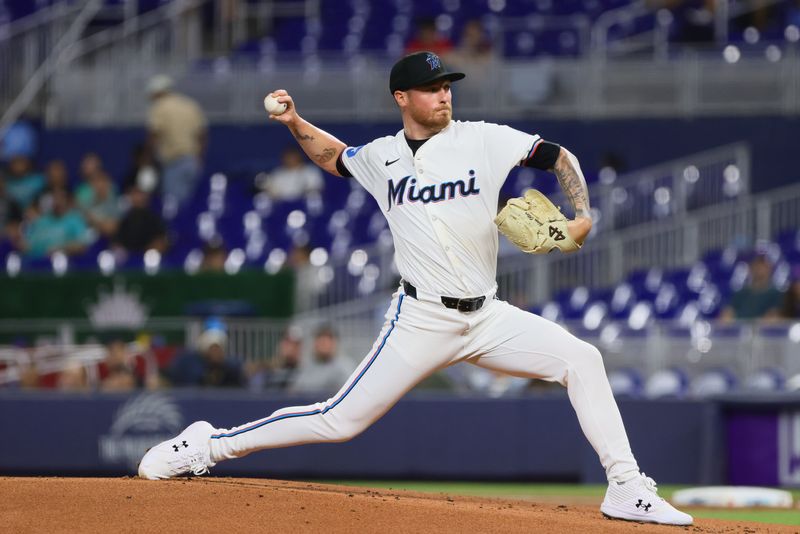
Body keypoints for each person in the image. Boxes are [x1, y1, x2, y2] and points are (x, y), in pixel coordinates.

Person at [138, 51, 692, 527]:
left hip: (487, 315)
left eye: (447, 86)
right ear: (402, 97)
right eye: (431, 88)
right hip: (421, 319)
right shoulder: (382, 158)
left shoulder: (484, 140)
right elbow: (335, 156)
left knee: (583, 359)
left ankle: (625, 488)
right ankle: (209, 444)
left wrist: (582, 214)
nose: (444, 95)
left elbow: (557, 156)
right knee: (338, 421)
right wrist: (295, 121)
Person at [146, 74, 207, 217]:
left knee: (175, 209)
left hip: (173, 163)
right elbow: (202, 134)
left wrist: (148, 160)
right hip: (192, 162)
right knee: (192, 208)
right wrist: (199, 158)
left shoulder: (159, 107)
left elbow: (154, 135)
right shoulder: (189, 105)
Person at [166, 322, 244, 388]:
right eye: (213, 349)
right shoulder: (193, 367)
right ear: (205, 351)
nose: (217, 353)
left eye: (219, 349)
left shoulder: (230, 370)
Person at [289, 325, 352, 395]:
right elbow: (294, 391)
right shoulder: (308, 366)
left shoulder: (344, 366)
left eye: (327, 341)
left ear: (334, 343)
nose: (323, 345)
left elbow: (349, 393)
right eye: (321, 341)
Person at [719, 254, 782, 322]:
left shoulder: (776, 294)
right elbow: (728, 313)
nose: (759, 269)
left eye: (763, 266)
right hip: (740, 330)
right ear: (750, 268)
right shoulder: (741, 293)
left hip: (763, 331)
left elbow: (774, 316)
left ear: (770, 269)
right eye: (756, 265)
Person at [257, 146, 324, 201]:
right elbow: (272, 192)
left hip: (303, 202)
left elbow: (316, 188)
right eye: (288, 157)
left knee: (313, 196)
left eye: (293, 156)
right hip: (282, 205)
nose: (290, 159)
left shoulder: (310, 170)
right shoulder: (277, 173)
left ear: (299, 156)